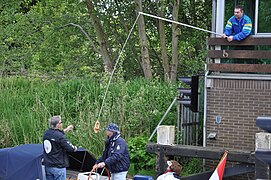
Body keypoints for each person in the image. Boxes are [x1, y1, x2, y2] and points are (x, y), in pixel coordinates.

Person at [43, 115, 77, 180]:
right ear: (58, 124)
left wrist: (66, 129)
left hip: (48, 166)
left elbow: (56, 135)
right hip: (58, 167)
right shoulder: (60, 136)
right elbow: (70, 148)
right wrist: (75, 148)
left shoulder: (46, 133)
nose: (62, 123)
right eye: (61, 122)